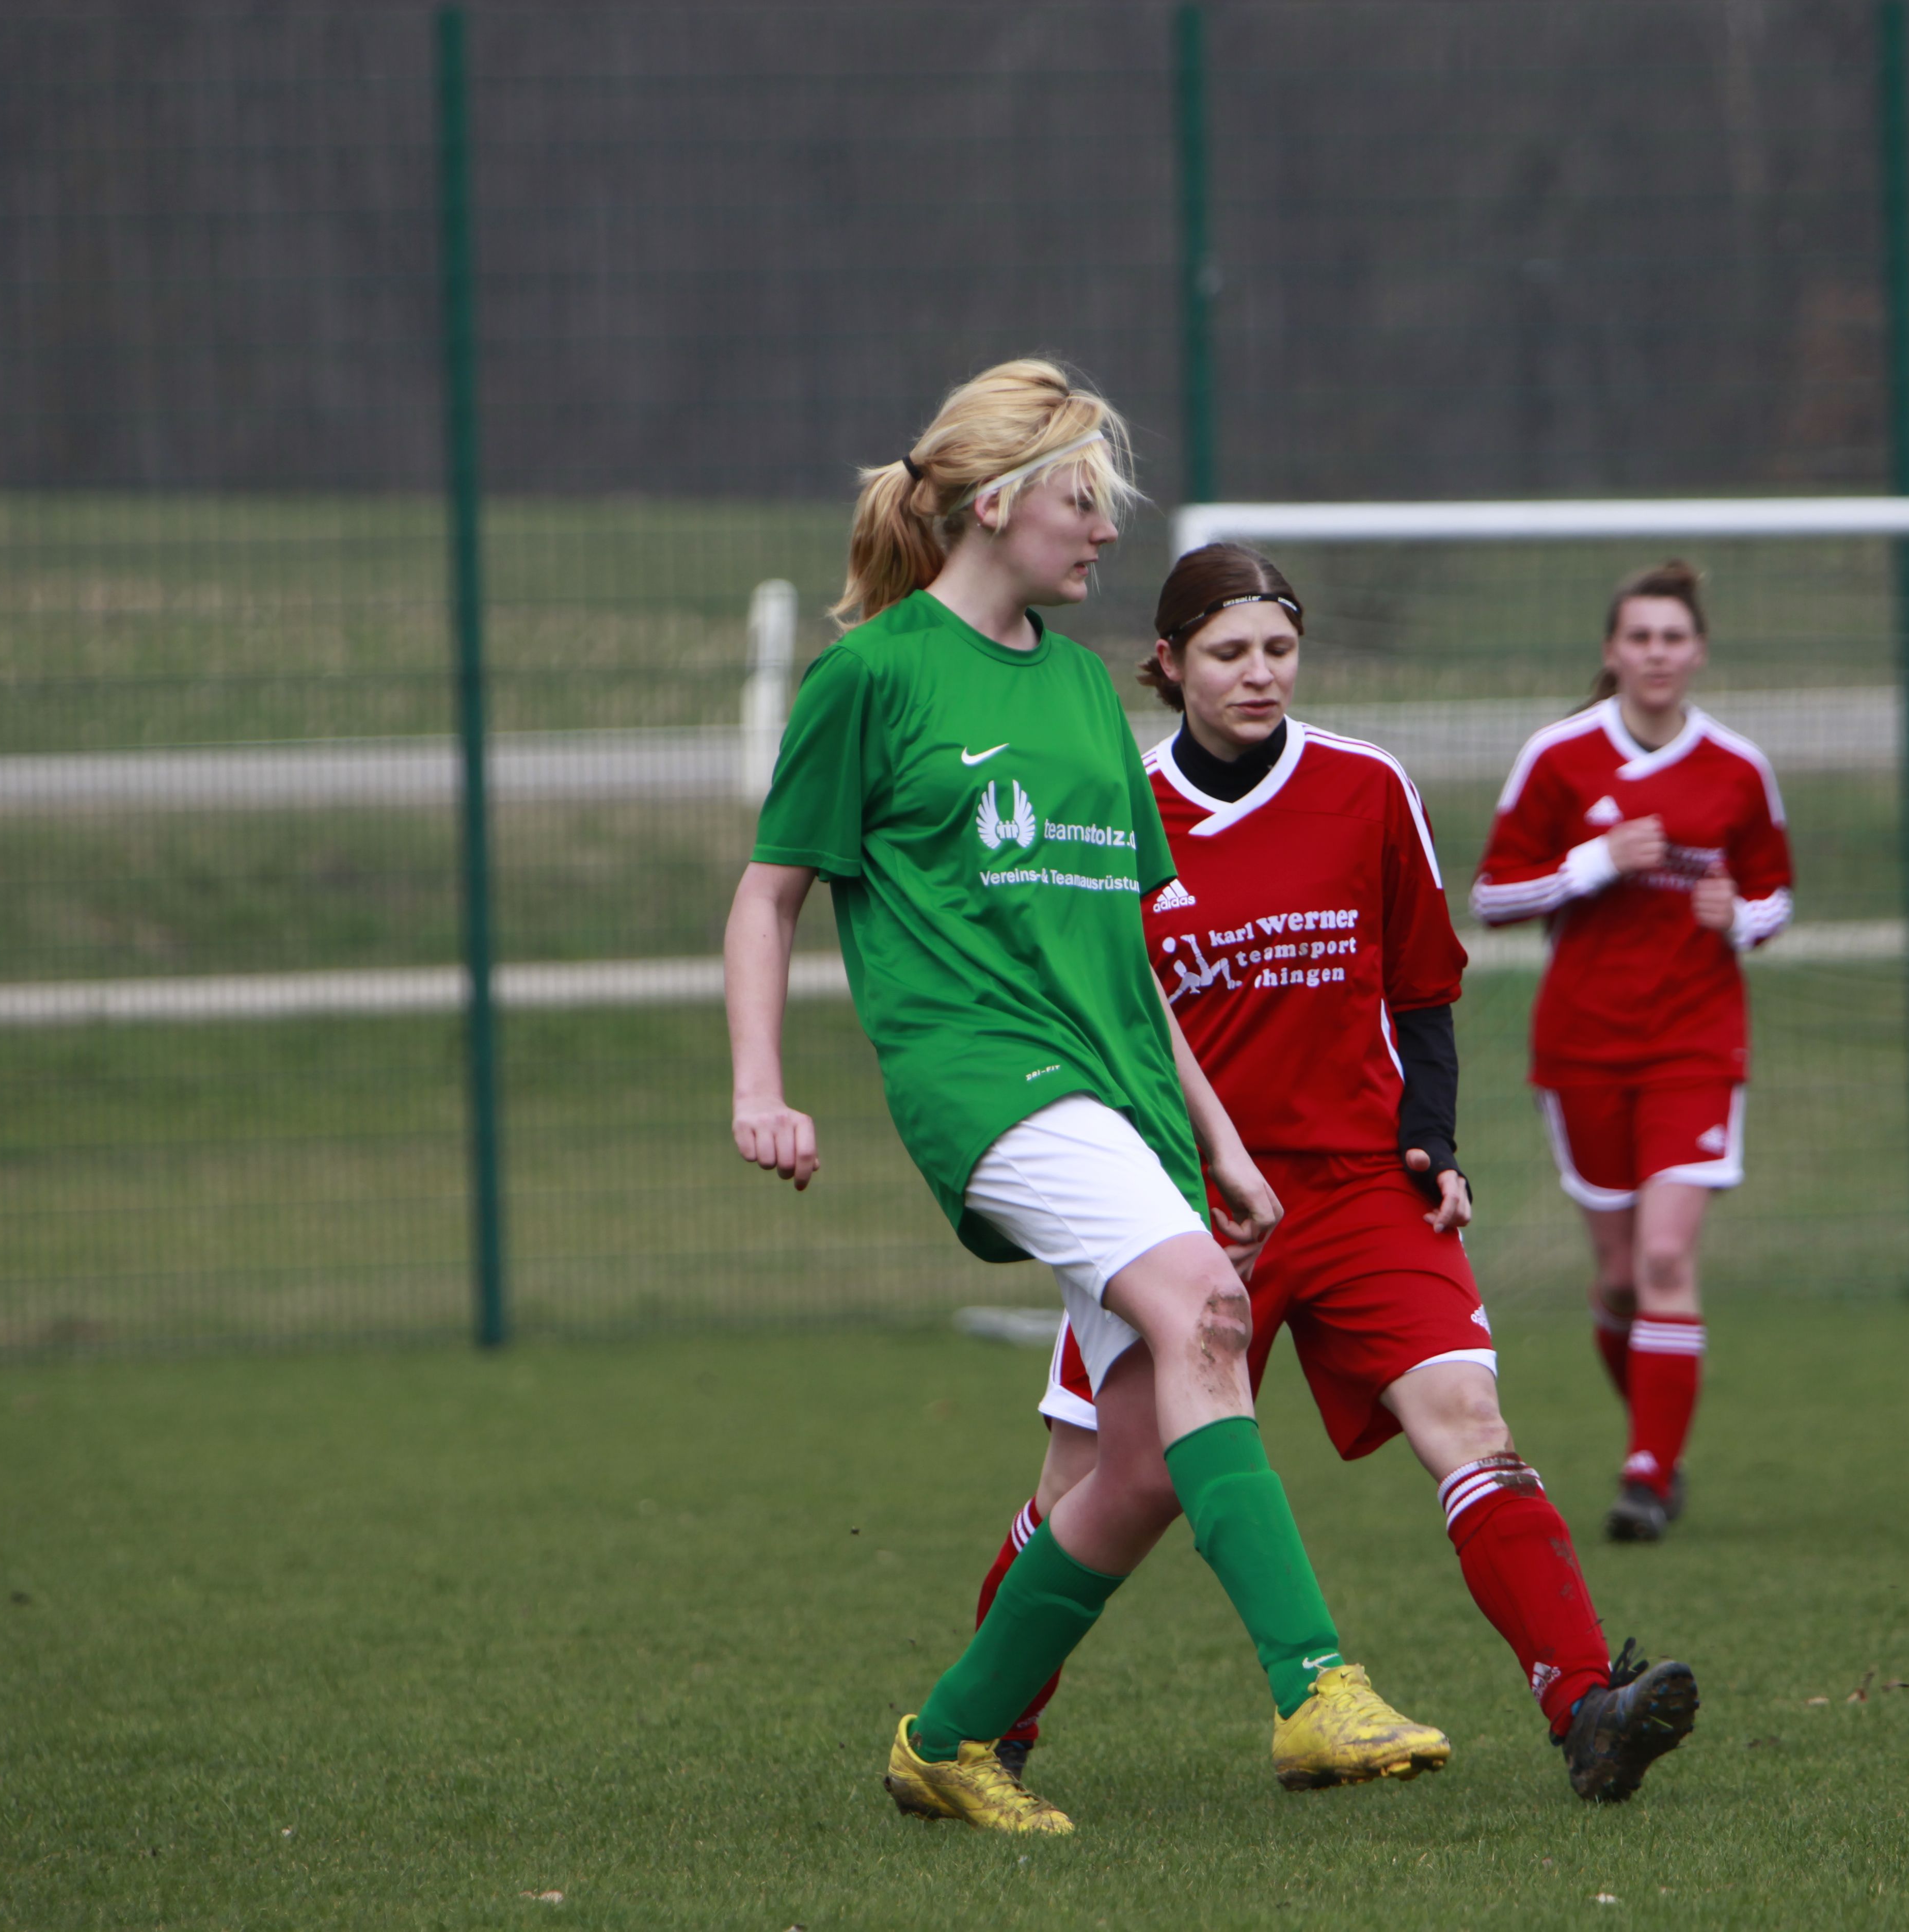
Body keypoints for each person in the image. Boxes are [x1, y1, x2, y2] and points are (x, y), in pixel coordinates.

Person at [725, 361, 1445, 1837]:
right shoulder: (871, 676)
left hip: (1120, 1094)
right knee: (1211, 1313)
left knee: (1143, 1463)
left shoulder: (1072, 686)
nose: (1108, 530)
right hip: (986, 1077)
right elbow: (766, 896)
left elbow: (1129, 958)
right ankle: (1316, 1685)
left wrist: (1221, 1141)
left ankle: (949, 1737)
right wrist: (761, 1085)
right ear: (998, 503)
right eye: (1083, 499)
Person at [968, 544, 1700, 1806]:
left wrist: (1434, 1141)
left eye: (1279, 648)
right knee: (1089, 1484)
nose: (1260, 673)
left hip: (1362, 1181)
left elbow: (1422, 988)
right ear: (1168, 663)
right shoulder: (1109, 807)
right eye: (1229, 652)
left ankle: (1588, 1706)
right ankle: (983, 1729)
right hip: (1181, 1205)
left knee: (1470, 1421)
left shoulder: (1366, 787)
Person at [1470, 562, 1793, 1544]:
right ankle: (1658, 1427)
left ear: (1699, 652)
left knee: (1663, 1254)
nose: (1657, 653)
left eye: (1673, 637)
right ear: (1612, 652)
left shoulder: (1737, 767)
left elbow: (1774, 894)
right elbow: (1492, 896)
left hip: (1696, 1041)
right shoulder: (1559, 757)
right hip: (1582, 1046)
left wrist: (1742, 916)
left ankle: (1647, 1473)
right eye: (1640, 637)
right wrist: (1592, 863)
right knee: (1617, 1278)